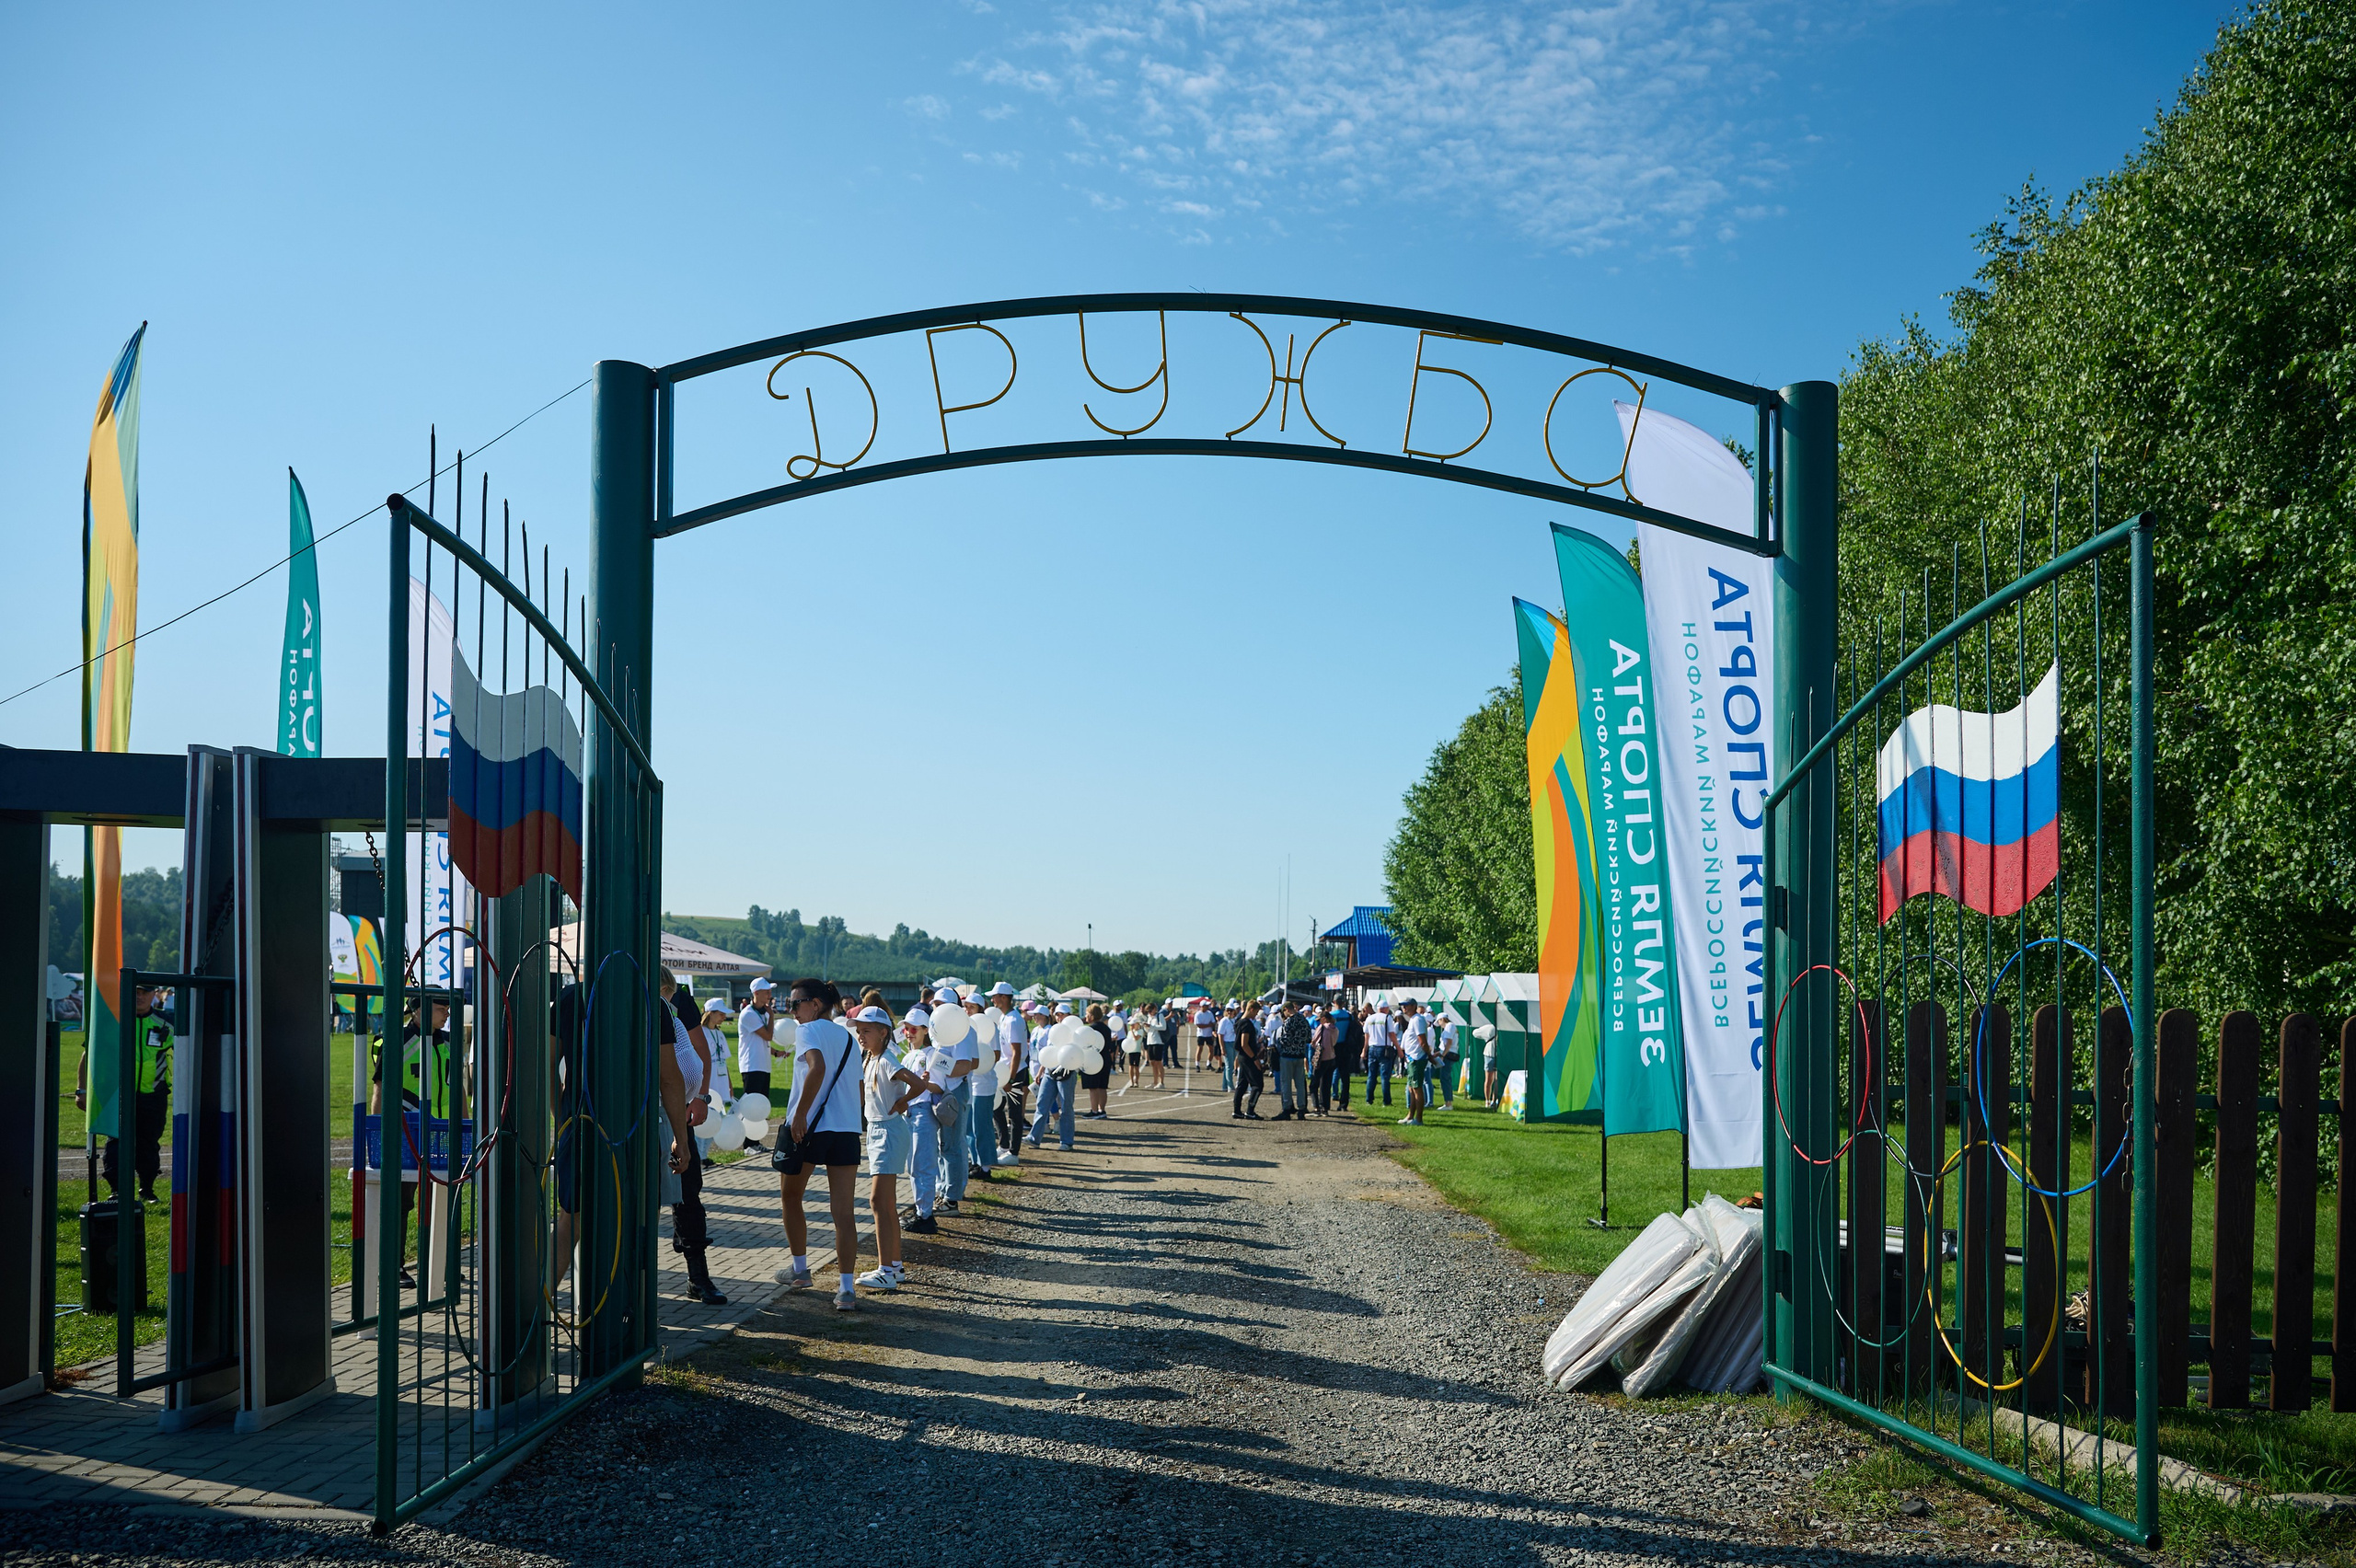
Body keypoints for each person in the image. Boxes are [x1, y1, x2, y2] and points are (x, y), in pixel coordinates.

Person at [770, 978, 867, 1311]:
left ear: (814, 1004)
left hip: (811, 1127)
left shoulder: (808, 1031)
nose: (791, 1011)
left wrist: (799, 1115)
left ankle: (800, 1269)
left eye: (795, 1004)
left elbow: (817, 1068)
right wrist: (857, 1123)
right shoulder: (849, 1037)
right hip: (846, 1129)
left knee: (790, 1195)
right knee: (843, 1213)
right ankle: (846, 1289)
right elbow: (857, 1086)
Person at [852, 1004, 928, 1292]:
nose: (861, 1035)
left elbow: (917, 1083)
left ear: (884, 1033)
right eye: (859, 1031)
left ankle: (885, 1270)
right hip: (879, 1130)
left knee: (877, 1202)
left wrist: (903, 1102)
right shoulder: (871, 1058)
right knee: (886, 1203)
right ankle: (894, 1267)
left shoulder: (886, 1059)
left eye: (867, 1030)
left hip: (888, 1131)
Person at [79, 986, 172, 1202]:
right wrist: (81, 1090)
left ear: (154, 994)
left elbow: (188, 1050)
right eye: (135, 991)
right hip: (119, 1095)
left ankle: (147, 1190)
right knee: (116, 1142)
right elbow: (89, 1053)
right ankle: (117, 1190)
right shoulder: (114, 1021)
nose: (139, 995)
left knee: (148, 1143)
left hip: (154, 1096)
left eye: (145, 991)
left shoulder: (167, 1022)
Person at [929, 986, 977, 1208]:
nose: (935, 1009)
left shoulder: (961, 1028)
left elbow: (965, 1065)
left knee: (952, 1146)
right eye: (935, 1005)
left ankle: (952, 1199)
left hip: (954, 1091)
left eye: (939, 1005)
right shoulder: (943, 1027)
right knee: (946, 1144)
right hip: (944, 1091)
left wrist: (936, 1063)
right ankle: (947, 1189)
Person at [900, 1007, 946, 1235]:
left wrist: (924, 1083)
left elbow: (940, 1087)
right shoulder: (909, 1055)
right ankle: (921, 1211)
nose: (908, 1033)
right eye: (906, 1029)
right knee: (914, 1166)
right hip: (909, 1113)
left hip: (924, 1112)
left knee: (923, 1165)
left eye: (913, 1029)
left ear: (926, 1030)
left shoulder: (934, 1054)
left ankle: (925, 1216)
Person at [1029, 1004, 1077, 1150]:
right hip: (1050, 1071)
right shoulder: (1054, 1030)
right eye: (1057, 1014)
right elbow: (1048, 1052)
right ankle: (1034, 1138)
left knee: (1066, 1107)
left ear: (1069, 1015)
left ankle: (1066, 1141)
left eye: (1062, 1014)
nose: (1059, 1017)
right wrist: (1041, 1070)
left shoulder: (1074, 1032)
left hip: (1066, 1072)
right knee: (1042, 1103)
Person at [737, 980, 777, 1149]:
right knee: (751, 1107)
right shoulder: (749, 1014)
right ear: (756, 993)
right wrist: (772, 1016)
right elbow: (767, 1035)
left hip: (762, 1065)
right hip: (751, 1065)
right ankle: (748, 1144)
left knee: (760, 1106)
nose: (769, 995)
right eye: (766, 992)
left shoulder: (762, 1013)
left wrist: (776, 1052)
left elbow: (763, 1042)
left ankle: (755, 1142)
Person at [1271, 1000, 1313, 1119]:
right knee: (1300, 1084)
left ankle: (1287, 1108)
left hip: (1287, 1056)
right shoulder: (1304, 1021)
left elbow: (1284, 1040)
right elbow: (1309, 1038)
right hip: (1300, 1056)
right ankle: (1301, 1109)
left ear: (1286, 1009)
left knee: (1286, 1083)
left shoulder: (1289, 1022)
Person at [1400, 998, 1433, 1125]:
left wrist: (1429, 1056)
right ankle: (1410, 1116)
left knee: (1417, 1088)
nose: (1404, 1008)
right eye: (1403, 1006)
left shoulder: (1418, 1020)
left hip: (1416, 1059)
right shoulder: (1413, 1020)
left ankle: (1418, 1119)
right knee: (1411, 1088)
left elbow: (1423, 1041)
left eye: (1406, 1006)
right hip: (1411, 1058)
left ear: (1414, 1006)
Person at [1230, 1002, 1265, 1119]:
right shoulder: (1246, 1024)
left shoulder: (1239, 1021)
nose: (1256, 1015)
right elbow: (1244, 1044)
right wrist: (1255, 1058)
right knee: (1258, 1084)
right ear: (1251, 1009)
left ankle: (1237, 1110)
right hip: (1248, 1057)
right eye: (1255, 1012)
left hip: (1242, 1056)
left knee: (1242, 1084)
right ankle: (1250, 1111)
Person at [1079, 1004, 1114, 1116]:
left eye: (1087, 1014)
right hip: (1105, 1059)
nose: (1086, 1016)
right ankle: (1102, 1110)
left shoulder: (1090, 1030)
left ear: (1092, 1016)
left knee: (1093, 1087)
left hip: (1093, 1061)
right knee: (1103, 1087)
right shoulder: (1106, 1028)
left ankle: (1094, 1111)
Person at [1363, 1004, 1396, 1106]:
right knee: (1385, 1077)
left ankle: (1369, 1099)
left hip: (1372, 1048)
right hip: (1384, 1048)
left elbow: (1366, 1036)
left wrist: (1364, 1050)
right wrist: (1398, 1048)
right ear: (1386, 1009)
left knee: (1371, 1076)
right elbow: (1391, 1034)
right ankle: (1386, 1101)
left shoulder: (1370, 1018)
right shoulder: (1387, 1018)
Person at [1334, 1003, 1363, 1112]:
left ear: (1334, 1002)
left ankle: (1327, 1101)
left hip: (1334, 1046)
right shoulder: (1348, 1016)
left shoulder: (1332, 1015)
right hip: (1346, 1047)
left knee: (1328, 1075)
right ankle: (1344, 1103)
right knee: (1345, 1076)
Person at [1310, 1008, 1338, 1115]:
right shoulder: (1335, 1029)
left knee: (1313, 1084)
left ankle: (1316, 1107)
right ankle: (1325, 1107)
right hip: (1331, 1057)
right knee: (1326, 1084)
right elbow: (1334, 1043)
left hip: (1321, 1059)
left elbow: (1314, 1042)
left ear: (1324, 1019)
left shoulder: (1321, 1028)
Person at [1437, 1009, 1461, 1113]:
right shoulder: (1449, 1027)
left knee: (1445, 1078)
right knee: (1445, 1078)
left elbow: (1449, 1043)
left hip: (1448, 1055)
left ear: (1442, 1019)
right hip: (1447, 1054)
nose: (1439, 1024)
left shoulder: (1449, 1026)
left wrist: (1442, 1055)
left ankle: (1448, 1103)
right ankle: (1448, 1102)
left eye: (1439, 1021)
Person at [1121, 1007, 1147, 1091]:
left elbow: (1136, 1038)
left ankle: (1137, 1081)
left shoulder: (1140, 1031)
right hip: (1131, 1051)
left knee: (1136, 1067)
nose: (1131, 1026)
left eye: (1133, 1024)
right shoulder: (1129, 1033)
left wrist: (1132, 1031)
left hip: (1137, 1051)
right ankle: (1132, 1081)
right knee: (1131, 1066)